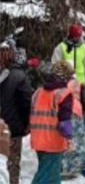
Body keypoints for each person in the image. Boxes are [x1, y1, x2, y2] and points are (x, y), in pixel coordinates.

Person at [29, 61, 74, 184]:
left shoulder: (38, 92)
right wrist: (70, 137)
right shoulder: (64, 93)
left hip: (38, 140)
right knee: (45, 176)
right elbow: (65, 123)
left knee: (52, 176)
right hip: (53, 141)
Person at [0, 44, 33, 184]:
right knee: (12, 164)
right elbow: (27, 103)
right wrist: (27, 123)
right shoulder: (20, 76)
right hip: (13, 128)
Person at [51, 23, 85, 103]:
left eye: (79, 36)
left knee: (83, 105)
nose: (78, 38)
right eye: (76, 36)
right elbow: (55, 65)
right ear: (71, 35)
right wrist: (66, 77)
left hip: (81, 85)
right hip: (65, 84)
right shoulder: (61, 47)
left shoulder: (84, 48)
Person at [61, 66, 85, 179]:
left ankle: (65, 169)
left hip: (64, 113)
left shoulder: (60, 84)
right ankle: (84, 168)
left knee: (66, 141)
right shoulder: (78, 83)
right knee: (79, 141)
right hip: (77, 112)